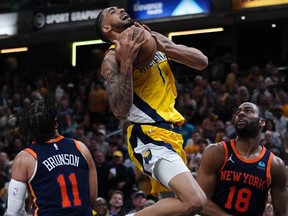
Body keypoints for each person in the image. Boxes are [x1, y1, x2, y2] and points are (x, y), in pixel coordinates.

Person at [95, 6, 207, 216]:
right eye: (112, 10)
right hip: (148, 136)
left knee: (183, 210)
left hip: (173, 136)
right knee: (196, 201)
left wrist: (165, 46)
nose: (119, 8)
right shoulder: (111, 60)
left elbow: (201, 61)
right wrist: (127, 62)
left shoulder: (151, 38)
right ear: (106, 27)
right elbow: (119, 110)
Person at [5, 90, 98, 215]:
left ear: (29, 129)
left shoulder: (25, 158)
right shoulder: (80, 148)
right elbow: (92, 197)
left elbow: (14, 210)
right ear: (56, 123)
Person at [196, 102, 288, 215]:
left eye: (248, 111)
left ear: (262, 122)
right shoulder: (216, 152)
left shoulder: (275, 165)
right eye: (238, 112)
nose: (241, 113)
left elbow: (281, 214)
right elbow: (201, 202)